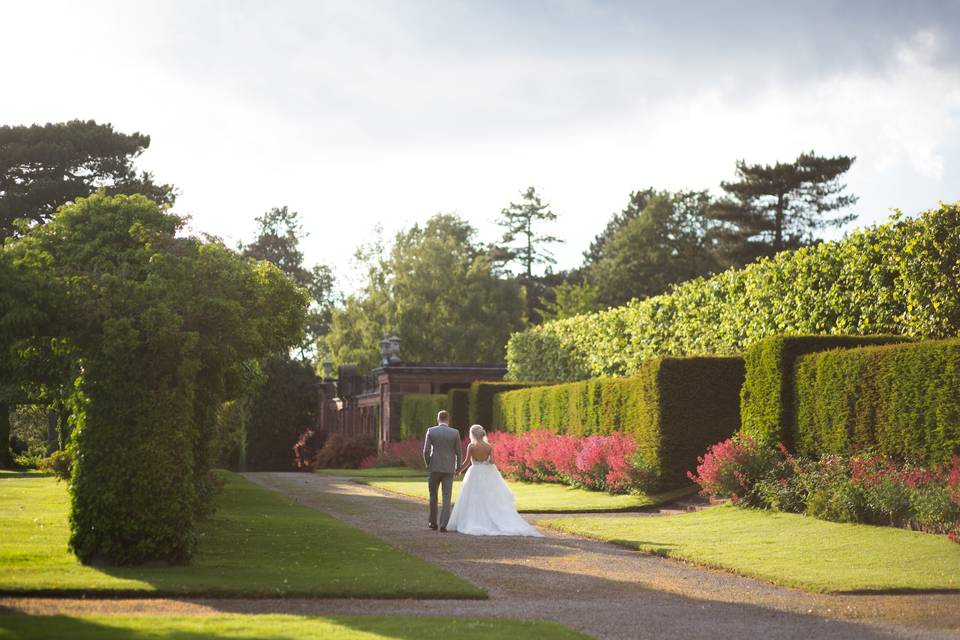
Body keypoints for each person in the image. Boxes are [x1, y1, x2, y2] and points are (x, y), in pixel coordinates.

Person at [447, 424, 543, 537]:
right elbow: (493, 461)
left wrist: (458, 470)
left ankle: (475, 519)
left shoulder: (471, 447)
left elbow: (467, 462)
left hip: (474, 473)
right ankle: (491, 519)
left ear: (472, 435)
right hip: (487, 473)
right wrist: (485, 462)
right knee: (489, 496)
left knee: (473, 497)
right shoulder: (489, 446)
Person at [422, 410, 461, 532]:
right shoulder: (455, 433)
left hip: (434, 467)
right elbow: (459, 452)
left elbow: (425, 451)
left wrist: (428, 463)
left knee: (433, 495)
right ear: (448, 419)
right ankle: (444, 525)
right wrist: (458, 467)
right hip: (449, 468)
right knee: (446, 497)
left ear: (438, 419)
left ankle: (433, 523)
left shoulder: (431, 431)